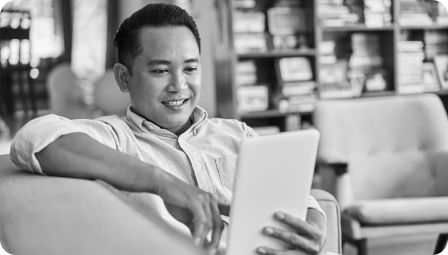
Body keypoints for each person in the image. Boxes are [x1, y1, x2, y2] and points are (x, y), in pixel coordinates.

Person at [10, 3, 326, 255]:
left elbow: (301, 200)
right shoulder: (114, 137)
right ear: (123, 77)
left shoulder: (237, 133)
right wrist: (164, 184)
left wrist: (314, 226)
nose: (179, 85)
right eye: (160, 70)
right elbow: (35, 138)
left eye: (190, 68)